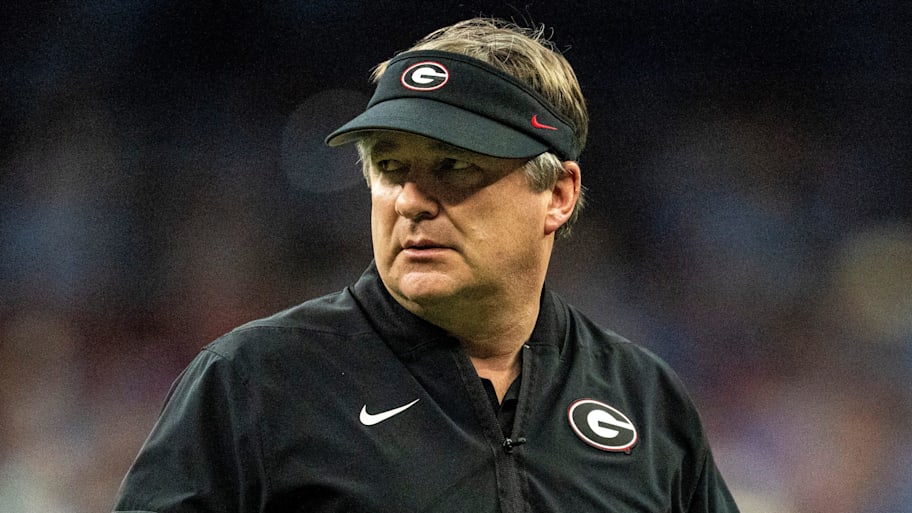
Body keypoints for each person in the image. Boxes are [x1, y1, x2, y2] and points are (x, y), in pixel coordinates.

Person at [112, 17, 740, 513]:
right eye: (390, 167)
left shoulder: (646, 401)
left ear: (557, 194)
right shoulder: (253, 383)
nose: (411, 200)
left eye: (453, 166)